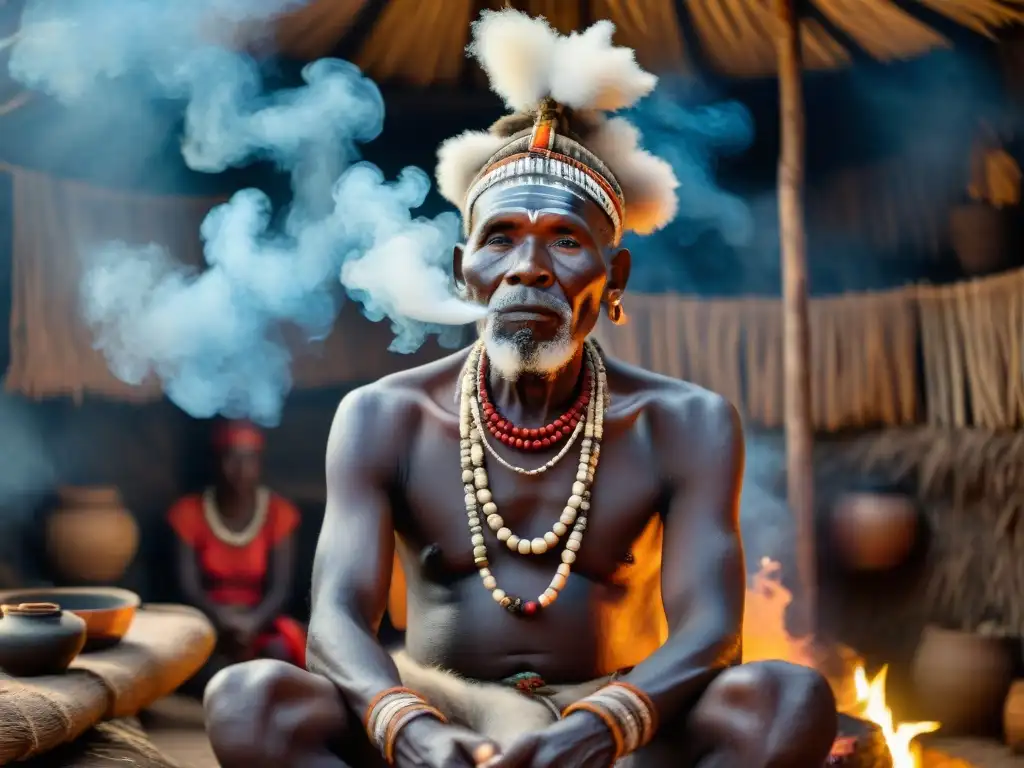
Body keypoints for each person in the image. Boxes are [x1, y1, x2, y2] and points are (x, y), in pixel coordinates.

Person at [204, 10, 838, 767]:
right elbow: (336, 622)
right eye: (500, 237)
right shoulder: (384, 417)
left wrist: (593, 731)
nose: (529, 267)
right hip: (440, 712)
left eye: (566, 241)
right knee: (248, 700)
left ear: (614, 280)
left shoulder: (685, 422)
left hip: (617, 719)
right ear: (461, 271)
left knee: (789, 700)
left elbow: (711, 635)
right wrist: (414, 733)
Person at [169, 419, 306, 695]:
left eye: (249, 459)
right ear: (215, 462)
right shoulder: (188, 512)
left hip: (260, 620)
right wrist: (223, 620)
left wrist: (251, 624)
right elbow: (189, 588)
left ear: (260, 464)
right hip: (209, 621)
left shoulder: (279, 513)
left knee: (279, 651)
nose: (240, 470)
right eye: (231, 458)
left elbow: (280, 589)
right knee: (188, 660)